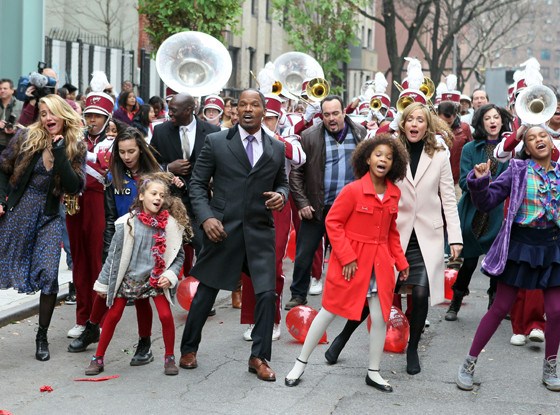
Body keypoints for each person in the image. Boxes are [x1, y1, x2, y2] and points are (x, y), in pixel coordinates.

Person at [324, 102, 463, 375]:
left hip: (427, 237)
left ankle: (413, 348)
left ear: (427, 125)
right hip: (392, 234)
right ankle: (342, 337)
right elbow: (372, 185)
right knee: (376, 294)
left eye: (420, 120)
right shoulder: (391, 151)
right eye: (410, 119)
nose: (414, 124)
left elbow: (448, 196)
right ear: (402, 123)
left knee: (420, 293)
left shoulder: (439, 154)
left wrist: (455, 238)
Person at [178, 89, 289, 382]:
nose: (248, 109)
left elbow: (283, 183)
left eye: (254, 105)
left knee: (267, 294)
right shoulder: (216, 142)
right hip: (222, 230)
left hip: (260, 231)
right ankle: (188, 349)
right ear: (234, 110)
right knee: (206, 292)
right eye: (243, 104)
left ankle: (259, 357)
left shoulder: (276, 148)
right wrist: (206, 218)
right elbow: (197, 184)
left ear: (264, 111)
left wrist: (281, 196)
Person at [285, 136, 410, 391]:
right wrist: (347, 257)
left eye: (389, 157)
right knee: (329, 311)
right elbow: (333, 223)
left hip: (380, 264)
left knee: (380, 317)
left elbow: (391, 232)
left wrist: (401, 260)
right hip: (350, 264)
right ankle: (300, 363)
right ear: (367, 158)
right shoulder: (352, 191)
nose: (383, 160)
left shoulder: (394, 193)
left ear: (394, 163)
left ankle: (373, 372)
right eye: (378, 154)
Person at [456, 126, 560, 392]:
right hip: (519, 246)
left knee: (556, 310)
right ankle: (468, 363)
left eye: (543, 136)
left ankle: (550, 366)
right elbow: (486, 201)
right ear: (526, 147)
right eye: (531, 138)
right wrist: (480, 181)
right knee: (500, 307)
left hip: (552, 247)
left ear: (551, 142)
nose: (538, 140)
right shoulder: (517, 170)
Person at [67, 127, 168, 363]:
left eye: (131, 151)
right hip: (121, 242)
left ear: (140, 149)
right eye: (122, 152)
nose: (126, 156)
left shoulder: (156, 176)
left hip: (148, 245)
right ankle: (91, 329)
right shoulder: (113, 177)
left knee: (142, 298)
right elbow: (110, 217)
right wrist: (108, 251)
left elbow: (167, 213)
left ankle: (144, 345)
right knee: (103, 289)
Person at [0, 94, 86, 360]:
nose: (47, 118)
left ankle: (42, 337)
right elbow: (3, 167)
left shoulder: (74, 146)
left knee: (49, 275)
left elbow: (74, 186)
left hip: (49, 217)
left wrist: (60, 152)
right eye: (43, 113)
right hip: (19, 213)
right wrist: (1, 199)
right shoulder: (27, 137)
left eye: (52, 112)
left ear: (63, 114)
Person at [85, 173, 191, 376]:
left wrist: (170, 275)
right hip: (129, 278)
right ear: (142, 196)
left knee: (165, 315)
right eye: (153, 193)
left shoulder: (170, 225)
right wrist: (103, 283)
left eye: (162, 195)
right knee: (113, 315)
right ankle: (98, 358)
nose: (158, 198)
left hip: (154, 278)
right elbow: (113, 257)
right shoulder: (126, 223)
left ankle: (169, 357)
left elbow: (178, 256)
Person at [285, 95, 366, 310]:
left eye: (335, 113)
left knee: (348, 255)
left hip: (349, 210)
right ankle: (298, 295)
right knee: (304, 253)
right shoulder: (309, 136)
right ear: (321, 115)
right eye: (327, 114)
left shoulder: (360, 133)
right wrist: (302, 203)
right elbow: (296, 172)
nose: (331, 118)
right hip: (317, 207)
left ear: (344, 113)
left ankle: (347, 297)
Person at [241, 94, 306, 341]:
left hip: (277, 206)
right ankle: (253, 319)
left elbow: (299, 158)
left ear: (278, 119)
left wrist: (272, 136)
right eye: (263, 117)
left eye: (270, 118)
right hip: (249, 204)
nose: (264, 121)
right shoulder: (245, 137)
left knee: (273, 264)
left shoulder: (287, 138)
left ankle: (273, 319)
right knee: (248, 264)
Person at [445, 104, 513, 321]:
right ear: (481, 123)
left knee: (497, 262)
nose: (493, 121)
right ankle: (456, 299)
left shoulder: (511, 150)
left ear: (502, 121)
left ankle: (494, 303)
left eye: (496, 117)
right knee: (469, 262)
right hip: (473, 211)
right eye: (487, 118)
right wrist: (479, 179)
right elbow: (463, 182)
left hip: (497, 212)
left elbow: (512, 182)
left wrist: (494, 186)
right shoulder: (470, 148)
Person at [65, 90, 115, 339]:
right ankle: (82, 318)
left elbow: (108, 172)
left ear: (107, 118)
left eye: (97, 116)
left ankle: (99, 318)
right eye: (89, 115)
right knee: (79, 261)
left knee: (97, 261)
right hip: (75, 202)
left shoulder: (112, 142)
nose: (92, 120)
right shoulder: (75, 139)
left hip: (98, 203)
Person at [150, 92, 220, 259]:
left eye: (173, 110)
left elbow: (219, 167)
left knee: (205, 253)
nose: (169, 113)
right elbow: (150, 165)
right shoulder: (160, 131)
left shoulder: (213, 132)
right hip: (169, 204)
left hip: (200, 205)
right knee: (169, 256)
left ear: (189, 110)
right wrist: (168, 168)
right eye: (169, 109)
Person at [437, 100, 473, 201]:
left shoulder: (465, 128)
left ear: (455, 115)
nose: (446, 126)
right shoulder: (431, 128)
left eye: (449, 122)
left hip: (457, 181)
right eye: (442, 122)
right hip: (436, 181)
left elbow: (471, 152)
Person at [0, 78, 22, 152]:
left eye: (5, 88)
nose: (2, 91)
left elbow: (27, 124)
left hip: (15, 144)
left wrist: (15, 129)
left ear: (12, 90)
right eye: (0, 89)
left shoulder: (21, 105)